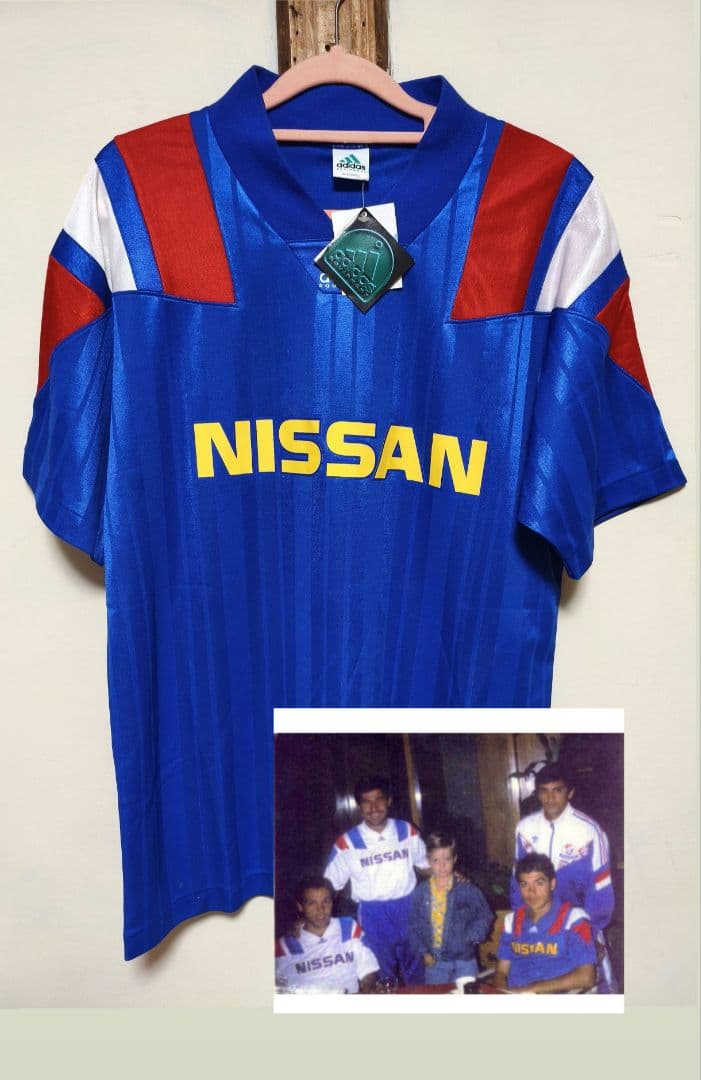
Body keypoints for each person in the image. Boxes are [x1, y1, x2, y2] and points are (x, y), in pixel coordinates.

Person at [510, 762, 617, 990]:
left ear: (570, 792)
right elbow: (517, 883)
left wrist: (591, 933)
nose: (550, 798)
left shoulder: (589, 831)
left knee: (586, 991)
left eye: (557, 790)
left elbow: (600, 888)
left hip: (578, 927)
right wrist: (523, 924)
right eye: (544, 791)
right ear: (537, 793)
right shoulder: (525, 829)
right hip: (538, 927)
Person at [324, 775, 428, 985]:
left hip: (409, 908)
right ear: (359, 806)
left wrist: (452, 876)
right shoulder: (347, 843)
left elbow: (426, 866)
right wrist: (307, 920)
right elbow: (327, 887)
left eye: (379, 799)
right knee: (381, 975)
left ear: (388, 801)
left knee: (418, 970)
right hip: (373, 915)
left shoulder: (407, 831)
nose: (373, 807)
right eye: (366, 801)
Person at [492, 854, 597, 993]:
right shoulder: (511, 921)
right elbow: (501, 972)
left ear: (552, 884)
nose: (531, 892)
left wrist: (527, 991)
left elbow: (587, 977)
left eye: (539, 883)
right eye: (524, 884)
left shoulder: (573, 919)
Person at [407, 831, 493, 985]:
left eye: (447, 859)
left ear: (454, 859)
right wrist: (423, 952)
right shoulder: (420, 893)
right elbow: (413, 925)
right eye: (436, 860)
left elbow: (484, 914)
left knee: (467, 995)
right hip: (435, 962)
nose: (442, 866)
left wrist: (473, 935)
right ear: (428, 861)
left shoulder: (467, 889)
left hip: (465, 960)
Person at [275, 876, 379, 994]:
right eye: (312, 903)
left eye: (326, 901)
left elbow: (368, 970)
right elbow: (278, 989)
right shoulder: (285, 946)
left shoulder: (348, 928)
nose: (320, 909)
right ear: (300, 906)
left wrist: (366, 990)